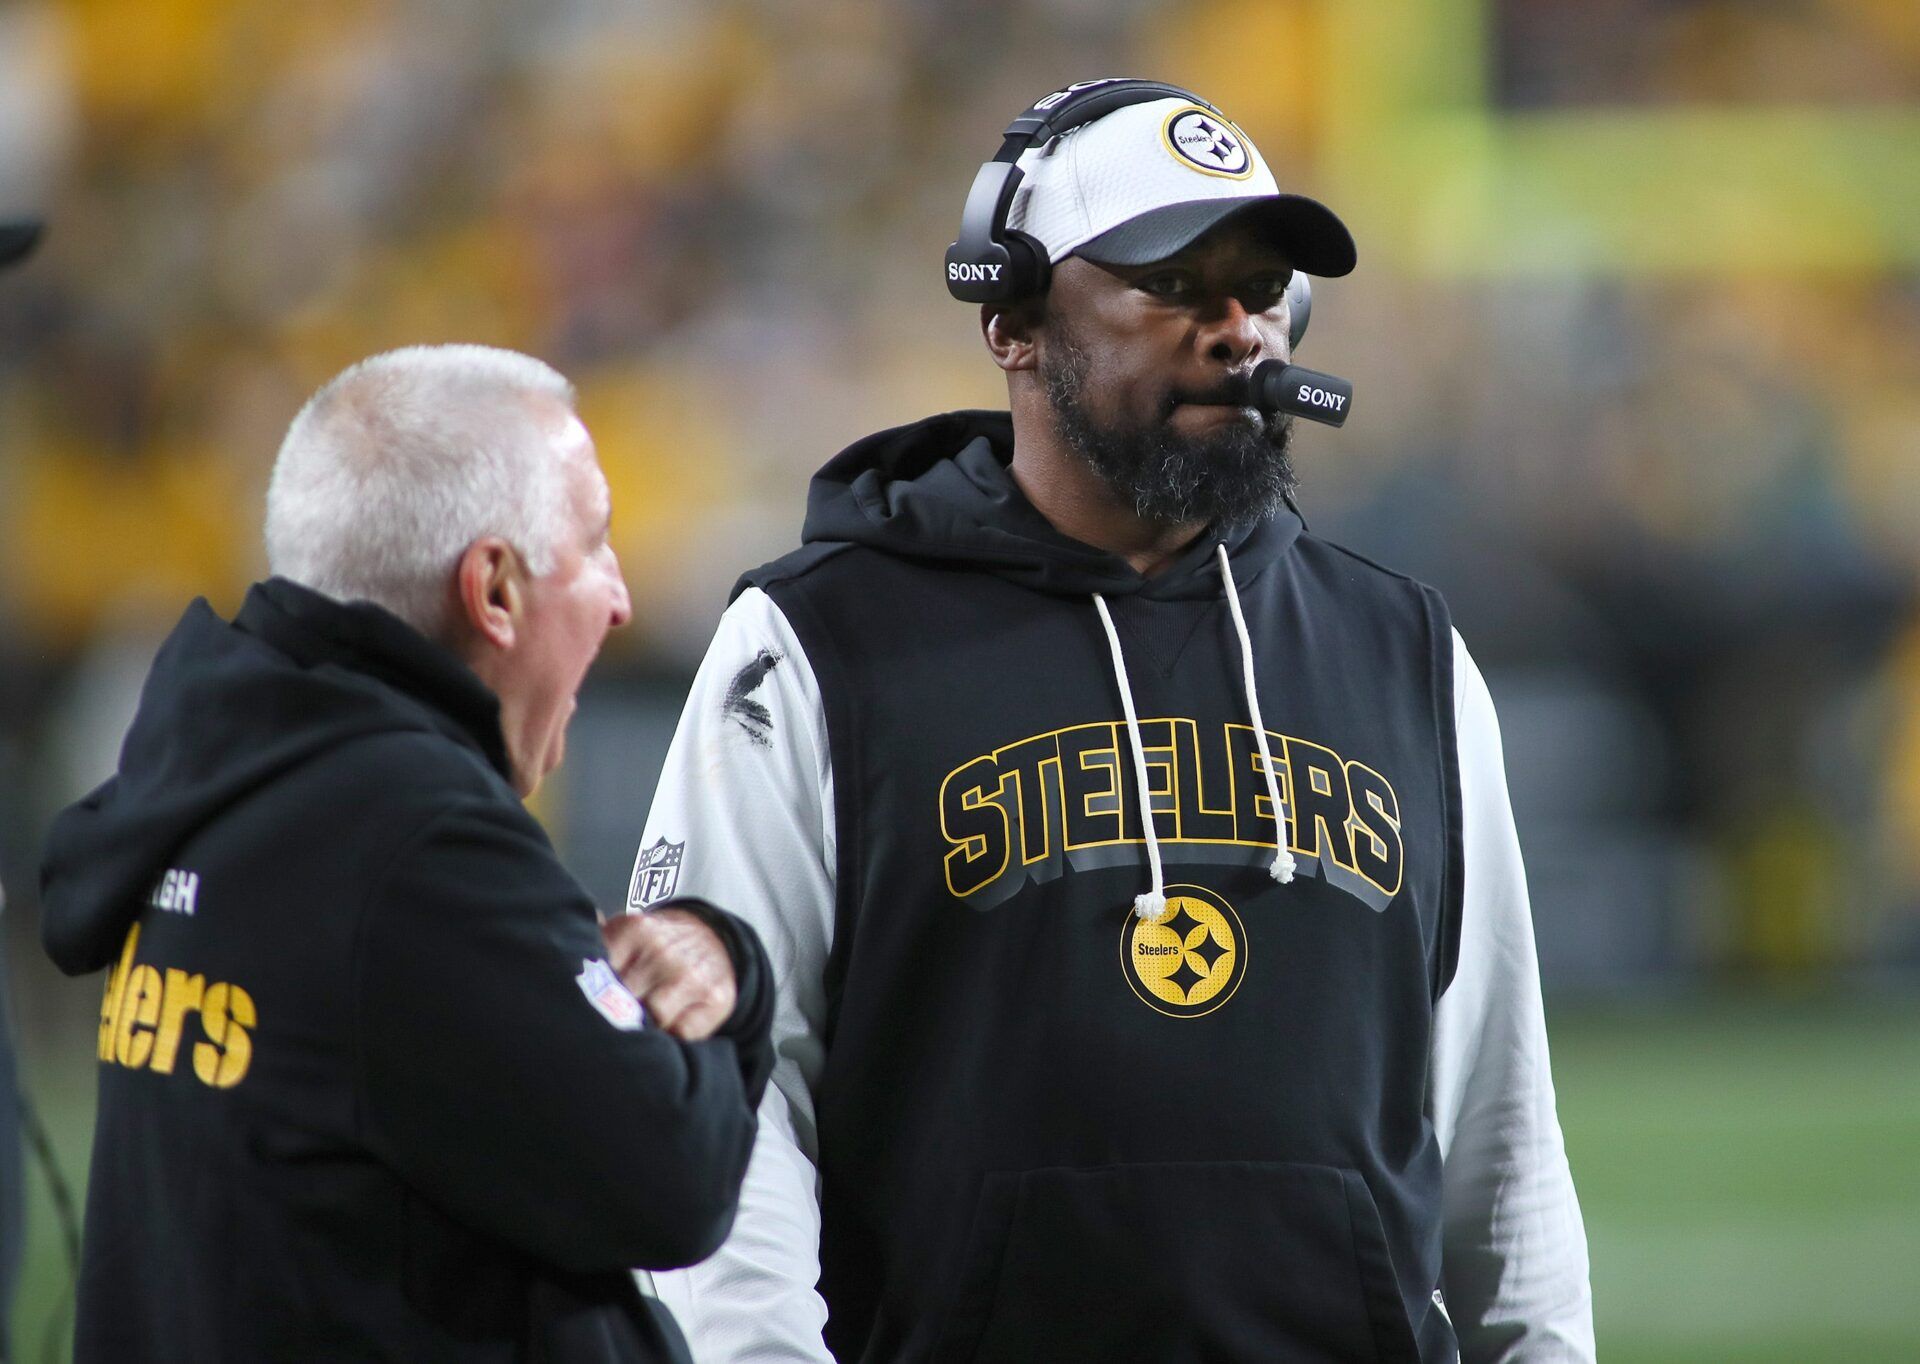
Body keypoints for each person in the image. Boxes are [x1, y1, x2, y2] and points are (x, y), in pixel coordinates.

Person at [634, 80, 1595, 1362]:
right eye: (1176, 284)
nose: (1239, 330)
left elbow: (1500, 1120)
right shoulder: (815, 644)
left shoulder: (1403, 649)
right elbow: (733, 1095)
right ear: (1014, 318)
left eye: (1263, 290)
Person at [39, 345, 774, 1363]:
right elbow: (674, 1183)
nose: (621, 597)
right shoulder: (419, 842)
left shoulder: (209, 786)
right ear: (495, 589)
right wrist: (733, 970)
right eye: (595, 543)